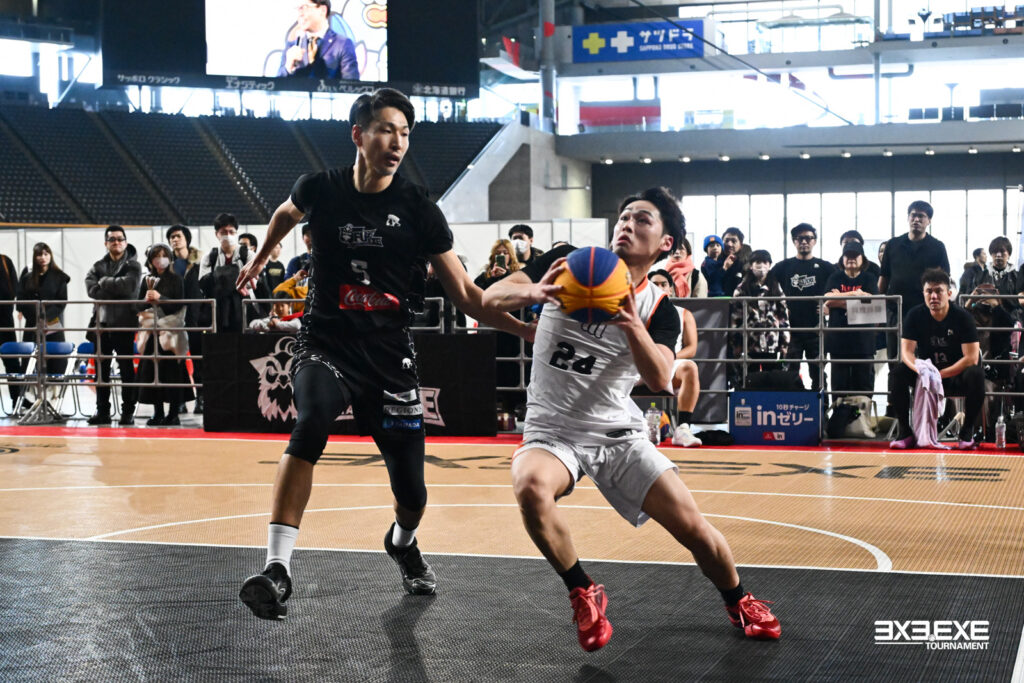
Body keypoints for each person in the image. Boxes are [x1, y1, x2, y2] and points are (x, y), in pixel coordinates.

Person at [235, 88, 533, 621]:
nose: (397, 143)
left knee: (412, 493)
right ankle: (277, 569)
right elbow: (284, 213)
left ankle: (402, 542)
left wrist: (526, 332)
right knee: (310, 421)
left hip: (390, 357)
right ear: (358, 134)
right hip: (325, 345)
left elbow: (468, 297)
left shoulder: (419, 209)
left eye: (405, 134)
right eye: (386, 130)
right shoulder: (319, 188)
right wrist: (260, 259)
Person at [481, 186, 780, 653]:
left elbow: (660, 378)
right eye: (624, 217)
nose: (628, 224)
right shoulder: (567, 261)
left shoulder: (661, 309)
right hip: (552, 429)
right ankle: (583, 590)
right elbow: (491, 296)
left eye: (642, 220)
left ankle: (738, 599)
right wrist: (533, 292)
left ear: (666, 243)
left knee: (695, 530)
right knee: (530, 486)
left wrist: (628, 320)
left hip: (617, 433)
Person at [889, 268, 983, 449]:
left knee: (976, 374)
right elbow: (906, 353)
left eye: (938, 291)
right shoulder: (915, 315)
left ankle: (966, 432)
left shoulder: (963, 317)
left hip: (954, 375)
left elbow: (971, 358)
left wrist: (940, 374)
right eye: (929, 291)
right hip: (926, 375)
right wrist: (921, 371)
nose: (933, 296)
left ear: (949, 293)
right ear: (923, 294)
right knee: (897, 373)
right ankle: (905, 432)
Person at [879, 200, 949, 413]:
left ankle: (927, 407)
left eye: (921, 216)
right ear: (908, 218)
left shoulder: (937, 247)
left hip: (926, 314)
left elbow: (944, 280)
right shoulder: (893, 245)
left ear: (929, 221)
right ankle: (894, 408)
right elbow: (883, 279)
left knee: (926, 361)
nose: (916, 219)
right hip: (895, 312)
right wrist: (880, 306)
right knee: (895, 361)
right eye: (913, 215)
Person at [85, 226, 142, 425]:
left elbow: (129, 287)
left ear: (125, 242)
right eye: (112, 239)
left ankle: (128, 412)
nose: (116, 242)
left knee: (126, 370)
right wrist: (114, 287)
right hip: (101, 324)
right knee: (101, 372)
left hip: (125, 324)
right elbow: (91, 289)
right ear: (106, 243)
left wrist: (104, 281)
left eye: (120, 239)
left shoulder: (134, 266)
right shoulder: (98, 265)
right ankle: (103, 412)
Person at [770, 224, 835, 393]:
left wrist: (829, 305)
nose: (804, 242)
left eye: (808, 238)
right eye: (800, 238)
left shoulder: (825, 267)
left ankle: (821, 406)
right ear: (794, 241)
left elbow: (838, 290)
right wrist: (780, 307)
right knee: (790, 374)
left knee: (818, 373)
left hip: (817, 329)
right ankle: (791, 405)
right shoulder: (783, 267)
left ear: (815, 241)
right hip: (791, 330)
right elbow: (767, 288)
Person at [135, 244, 193, 426]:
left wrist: (160, 298)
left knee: (173, 374)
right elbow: (137, 305)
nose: (160, 259)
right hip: (152, 333)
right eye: (156, 256)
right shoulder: (146, 280)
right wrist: (146, 300)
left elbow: (179, 304)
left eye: (164, 255)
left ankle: (174, 413)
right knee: (153, 373)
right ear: (150, 260)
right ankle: (158, 412)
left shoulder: (176, 279)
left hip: (171, 333)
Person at [650, 269, 702, 447]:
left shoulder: (683, 313)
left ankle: (682, 428)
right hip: (638, 364)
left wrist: (667, 357)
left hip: (671, 362)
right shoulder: (638, 310)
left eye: (663, 284)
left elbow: (692, 348)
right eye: (654, 284)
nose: (659, 287)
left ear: (670, 289)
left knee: (690, 367)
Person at [823, 241, 879, 396]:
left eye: (855, 255)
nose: (851, 259)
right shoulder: (835, 276)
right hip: (839, 340)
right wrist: (855, 294)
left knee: (864, 384)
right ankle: (839, 412)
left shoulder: (869, 278)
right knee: (839, 385)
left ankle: (862, 412)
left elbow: (873, 303)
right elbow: (827, 299)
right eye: (847, 255)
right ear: (842, 259)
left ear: (862, 259)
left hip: (863, 341)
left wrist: (840, 299)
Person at [199, 213, 268, 333]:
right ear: (216, 234)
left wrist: (220, 279)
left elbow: (252, 283)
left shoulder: (248, 255)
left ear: (236, 233)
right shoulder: (209, 257)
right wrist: (235, 280)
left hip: (245, 307)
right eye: (223, 232)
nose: (227, 235)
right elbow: (203, 284)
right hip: (218, 310)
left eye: (231, 231)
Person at [732, 249, 790, 378]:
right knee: (750, 379)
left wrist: (785, 343)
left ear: (769, 265)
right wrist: (736, 344)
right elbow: (736, 319)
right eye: (758, 262)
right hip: (750, 343)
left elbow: (783, 317)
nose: (761, 266)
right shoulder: (741, 289)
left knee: (771, 380)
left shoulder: (776, 288)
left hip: (772, 343)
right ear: (751, 265)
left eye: (765, 262)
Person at [16, 242, 70, 376]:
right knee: (29, 360)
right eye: (39, 254)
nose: (43, 257)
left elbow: (61, 301)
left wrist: (45, 317)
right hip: (32, 323)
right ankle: (29, 389)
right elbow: (21, 301)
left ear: (50, 255)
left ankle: (54, 388)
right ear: (34, 257)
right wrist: (35, 316)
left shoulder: (60, 277)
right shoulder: (27, 278)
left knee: (56, 361)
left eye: (46, 254)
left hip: (52, 322)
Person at [167, 224, 204, 414]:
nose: (175, 240)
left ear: (187, 239)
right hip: (174, 318)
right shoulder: (168, 264)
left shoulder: (201, 261)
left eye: (178, 236)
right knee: (177, 362)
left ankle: (202, 399)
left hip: (197, 318)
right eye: (171, 237)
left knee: (199, 360)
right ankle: (179, 400)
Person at [277, 0, 359, 80]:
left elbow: (351, 84)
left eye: (304, 7)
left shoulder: (342, 44)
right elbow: (276, 85)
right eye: (298, 8)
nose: (300, 14)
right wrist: (288, 67)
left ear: (322, 10)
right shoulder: (292, 46)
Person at [968, 237, 1020, 318]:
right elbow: (971, 301)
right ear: (991, 254)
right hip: (986, 320)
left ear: (1009, 254)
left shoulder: (1017, 277)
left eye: (1002, 251)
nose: (998, 255)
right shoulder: (980, 276)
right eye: (995, 252)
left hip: (1010, 320)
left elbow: (1019, 305)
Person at [0, 250, 19, 404]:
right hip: (5, 318)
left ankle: (17, 399)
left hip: (5, 320)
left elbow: (15, 289)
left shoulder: (5, 261)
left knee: (12, 362)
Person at [719, 227, 750, 297]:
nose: (729, 244)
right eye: (726, 241)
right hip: (717, 300)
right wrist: (724, 268)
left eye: (734, 241)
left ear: (741, 245)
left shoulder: (747, 264)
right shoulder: (713, 261)